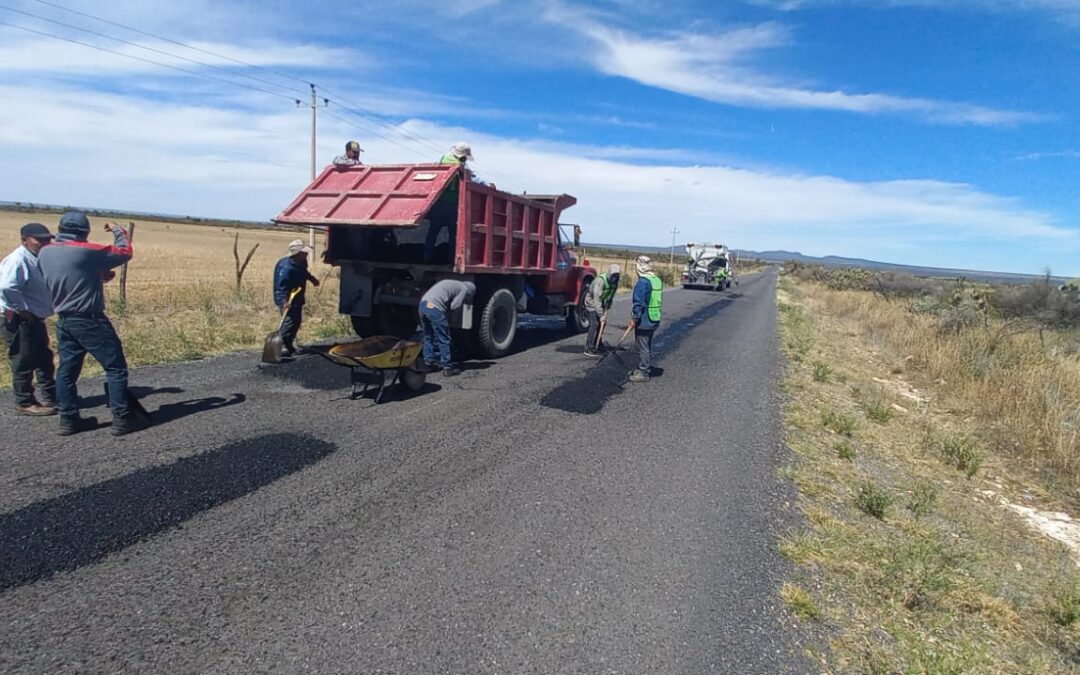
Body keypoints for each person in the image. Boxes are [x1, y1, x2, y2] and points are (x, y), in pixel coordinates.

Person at [38, 211, 140, 435]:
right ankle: (122, 418)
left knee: (67, 371)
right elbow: (124, 251)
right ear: (84, 232)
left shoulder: (45, 252)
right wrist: (117, 229)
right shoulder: (86, 250)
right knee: (115, 368)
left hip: (64, 319)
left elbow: (66, 275)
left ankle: (69, 419)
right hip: (89, 319)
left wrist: (94, 276)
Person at [0, 223, 58, 416]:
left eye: (47, 238)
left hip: (33, 317)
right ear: (25, 240)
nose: (45, 242)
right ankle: (24, 402)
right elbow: (7, 288)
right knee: (23, 359)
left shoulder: (37, 258)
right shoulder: (18, 260)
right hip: (18, 319)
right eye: (39, 239)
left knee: (43, 358)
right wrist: (22, 310)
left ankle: (51, 396)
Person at [425, 142, 475, 263]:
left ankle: (426, 256)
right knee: (454, 233)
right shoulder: (461, 166)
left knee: (433, 231)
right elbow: (471, 178)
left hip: (439, 200)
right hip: (452, 203)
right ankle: (451, 259)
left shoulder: (443, 159)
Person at [418, 279, 476, 377]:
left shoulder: (452, 284)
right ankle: (448, 368)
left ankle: (428, 364)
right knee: (444, 339)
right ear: (470, 292)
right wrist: (452, 318)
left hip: (423, 305)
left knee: (428, 336)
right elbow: (454, 306)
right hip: (434, 308)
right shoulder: (464, 289)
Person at [273, 239, 321, 356]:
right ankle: (281, 346)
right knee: (288, 322)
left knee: (296, 321)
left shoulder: (301, 262)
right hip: (287, 299)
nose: (306, 254)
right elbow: (281, 287)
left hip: (297, 297)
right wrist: (284, 302)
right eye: (304, 252)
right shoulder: (286, 268)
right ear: (297, 253)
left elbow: (303, 272)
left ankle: (289, 345)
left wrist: (312, 279)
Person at [628, 255, 662, 383]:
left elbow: (639, 303)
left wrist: (634, 319)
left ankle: (643, 372)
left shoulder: (643, 282)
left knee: (642, 346)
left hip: (645, 319)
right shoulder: (655, 279)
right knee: (646, 345)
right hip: (654, 317)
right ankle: (643, 367)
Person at [583, 264, 620, 357]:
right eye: (613, 276)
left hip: (602, 304)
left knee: (602, 324)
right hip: (591, 303)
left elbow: (611, 294)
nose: (614, 278)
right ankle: (589, 348)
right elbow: (596, 300)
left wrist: (608, 304)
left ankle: (598, 343)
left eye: (616, 276)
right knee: (595, 324)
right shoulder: (600, 281)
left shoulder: (615, 283)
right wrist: (601, 315)